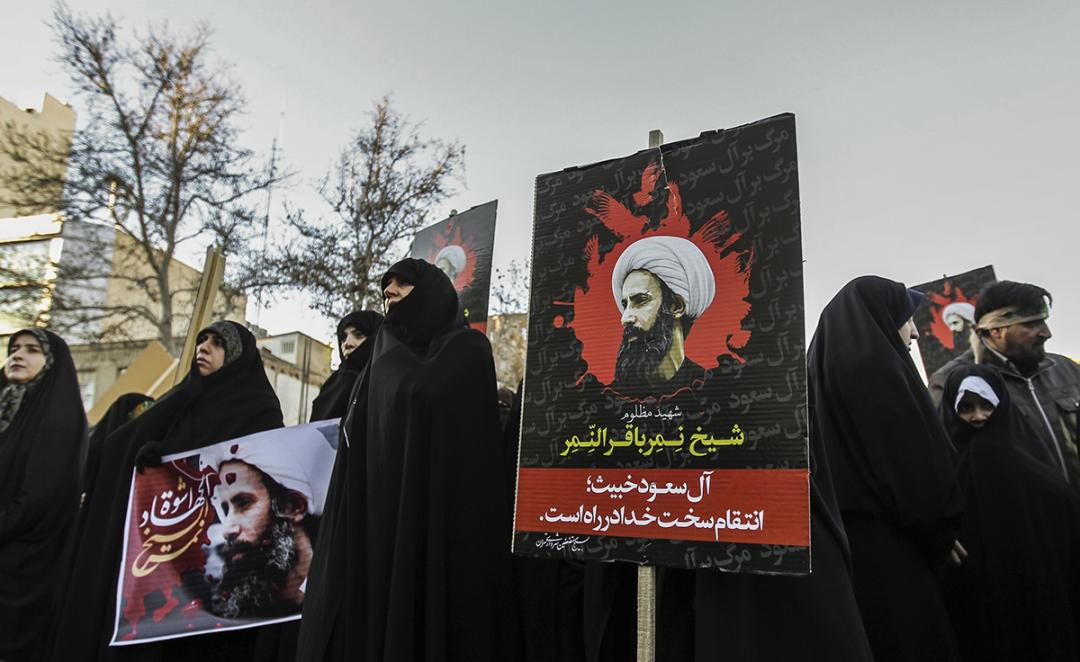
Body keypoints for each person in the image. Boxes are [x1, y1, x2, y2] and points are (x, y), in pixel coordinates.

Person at [297, 258, 520, 662]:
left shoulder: (468, 351)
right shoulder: (378, 360)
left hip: (439, 523)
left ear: (433, 291)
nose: (390, 291)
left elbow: (448, 422)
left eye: (404, 283)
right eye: (387, 286)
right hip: (379, 522)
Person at [48, 320, 286, 662]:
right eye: (201, 340)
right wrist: (153, 455)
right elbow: (117, 446)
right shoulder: (184, 398)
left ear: (237, 355)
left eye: (217, 343)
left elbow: (258, 472)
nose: (203, 348)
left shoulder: (260, 409)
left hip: (219, 556)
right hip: (162, 552)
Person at [812, 276, 964, 662]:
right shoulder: (877, 371)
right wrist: (941, 533)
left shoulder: (817, 375)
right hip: (896, 552)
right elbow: (912, 470)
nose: (914, 332)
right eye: (907, 318)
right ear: (878, 317)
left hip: (840, 560)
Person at [939, 364, 1080, 661]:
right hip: (980, 606)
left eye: (987, 405)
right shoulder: (940, 474)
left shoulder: (1033, 466)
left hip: (1038, 596)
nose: (978, 416)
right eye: (965, 408)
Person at [930, 281, 1080, 488]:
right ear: (996, 330)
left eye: (1043, 322)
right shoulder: (951, 383)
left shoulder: (1066, 369)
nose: (1046, 333)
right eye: (1032, 324)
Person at [0, 329, 87, 662]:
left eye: (32, 350)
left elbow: (40, 497)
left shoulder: (59, 417)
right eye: (14, 348)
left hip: (23, 565)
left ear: (52, 362)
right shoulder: (7, 407)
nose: (18, 355)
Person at [200, 427, 334, 620]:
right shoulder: (232, 609)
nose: (228, 529)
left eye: (244, 503)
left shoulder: (337, 586)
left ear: (293, 507)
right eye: (225, 509)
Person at [609, 236, 715, 398]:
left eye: (641, 300)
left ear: (676, 306)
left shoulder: (708, 390)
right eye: (625, 305)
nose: (625, 319)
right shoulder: (612, 397)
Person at [310, 310, 383, 421]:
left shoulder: (387, 384)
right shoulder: (331, 386)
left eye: (358, 335)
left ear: (376, 337)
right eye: (343, 338)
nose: (347, 344)